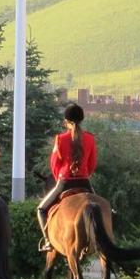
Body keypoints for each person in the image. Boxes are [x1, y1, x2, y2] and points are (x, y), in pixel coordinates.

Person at [38, 103, 97, 252]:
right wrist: (84, 174)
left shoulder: (60, 139)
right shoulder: (90, 138)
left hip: (65, 182)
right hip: (84, 182)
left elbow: (54, 164)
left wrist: (61, 176)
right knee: (102, 208)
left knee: (41, 209)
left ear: (67, 121)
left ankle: (47, 242)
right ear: (81, 120)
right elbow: (92, 163)